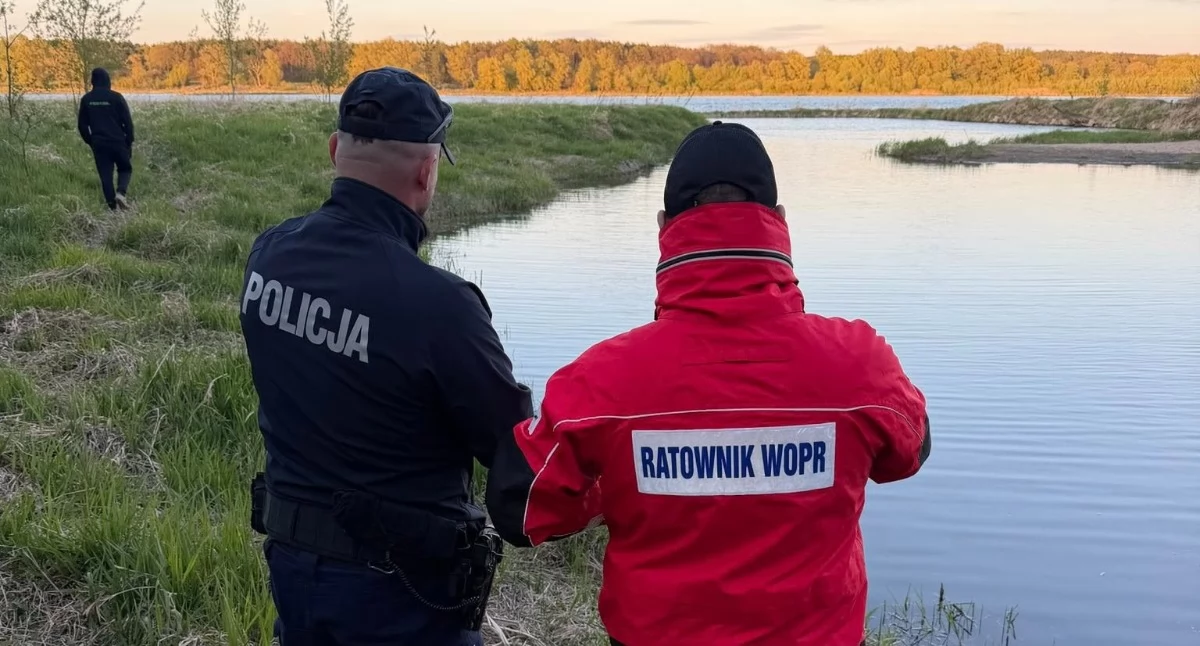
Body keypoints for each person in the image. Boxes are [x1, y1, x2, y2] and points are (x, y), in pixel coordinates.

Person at [486, 121, 932, 646]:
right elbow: (909, 452)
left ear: (663, 228)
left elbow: (519, 507)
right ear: (780, 221)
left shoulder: (601, 382)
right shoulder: (861, 365)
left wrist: (610, 492)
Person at [238, 67, 532, 646]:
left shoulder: (268, 257)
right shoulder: (440, 305)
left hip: (294, 568)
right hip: (403, 595)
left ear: (334, 151)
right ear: (426, 173)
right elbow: (514, 447)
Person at [77, 67, 135, 210]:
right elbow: (128, 122)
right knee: (125, 168)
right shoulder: (116, 97)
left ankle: (113, 209)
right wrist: (129, 141)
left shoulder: (87, 100)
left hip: (99, 144)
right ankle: (121, 193)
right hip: (118, 141)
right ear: (108, 80)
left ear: (92, 81)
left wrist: (91, 141)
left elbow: (82, 126)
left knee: (105, 176)